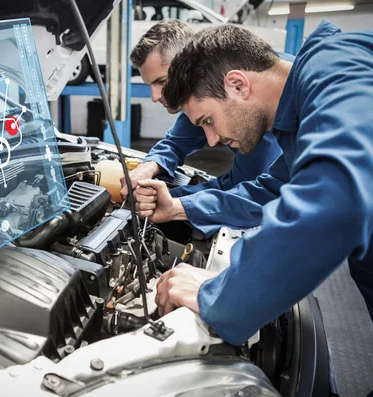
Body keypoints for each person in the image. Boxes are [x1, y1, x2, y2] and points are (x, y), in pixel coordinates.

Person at [134, 20, 373, 345]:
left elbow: (334, 202)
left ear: (238, 85)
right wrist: (177, 207)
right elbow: (270, 192)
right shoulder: (300, 120)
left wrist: (217, 296)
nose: (212, 140)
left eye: (208, 121)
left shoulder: (336, 71)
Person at [121, 20, 286, 236]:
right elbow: (178, 141)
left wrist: (180, 202)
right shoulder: (214, 97)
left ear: (190, 65)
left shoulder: (257, 110)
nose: (154, 97)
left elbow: (257, 193)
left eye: (162, 81)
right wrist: (149, 168)